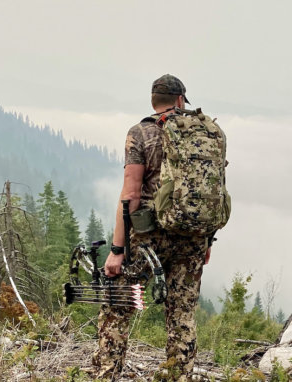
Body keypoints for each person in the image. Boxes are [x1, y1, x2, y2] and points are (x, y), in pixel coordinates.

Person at [92, 74, 219, 381]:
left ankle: (105, 375)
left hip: (148, 239)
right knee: (182, 314)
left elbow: (131, 194)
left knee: (118, 308)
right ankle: (179, 376)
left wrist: (117, 250)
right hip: (192, 238)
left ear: (153, 101)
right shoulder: (207, 134)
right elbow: (213, 193)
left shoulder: (141, 133)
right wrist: (207, 242)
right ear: (180, 100)